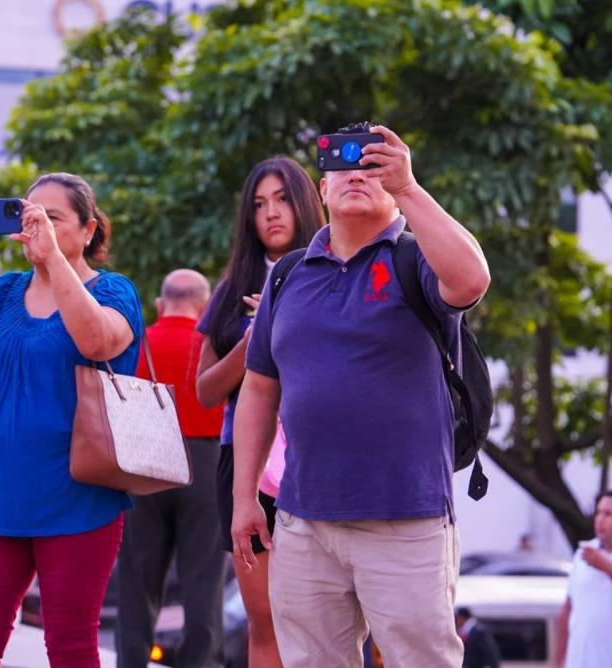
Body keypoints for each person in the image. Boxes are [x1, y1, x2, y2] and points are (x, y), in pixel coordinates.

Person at [233, 123, 491, 668]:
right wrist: (244, 500)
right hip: (304, 521)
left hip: (406, 518)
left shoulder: (414, 258)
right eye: (340, 167)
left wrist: (409, 189)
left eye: (371, 166)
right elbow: (259, 388)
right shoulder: (288, 275)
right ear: (322, 191)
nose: (355, 174)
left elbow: (470, 280)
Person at [0, 172, 144, 667]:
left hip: (77, 499)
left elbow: (97, 342)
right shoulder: (1, 293)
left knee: (69, 646)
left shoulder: (115, 291)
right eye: (29, 217)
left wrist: (55, 263)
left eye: (52, 218)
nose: (35, 228)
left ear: (89, 231)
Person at [195, 156, 325, 667]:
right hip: (244, 461)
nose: (271, 213)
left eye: (282, 199)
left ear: (305, 203)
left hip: (318, 455)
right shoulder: (229, 291)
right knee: (264, 618)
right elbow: (204, 391)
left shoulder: (336, 273)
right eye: (258, 204)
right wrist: (253, 340)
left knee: (329, 615)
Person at [115, 269, 227, 668]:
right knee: (204, 579)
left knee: (137, 581)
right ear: (205, 304)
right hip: (205, 463)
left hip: (145, 464)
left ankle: (131, 661)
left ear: (161, 304)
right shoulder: (213, 345)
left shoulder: (136, 343)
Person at [555, 491, 612, 668]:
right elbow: (567, 609)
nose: (600, 519)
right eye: (598, 512)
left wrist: (606, 566)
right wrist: (559, 660)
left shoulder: (598, 559)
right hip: (578, 660)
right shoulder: (583, 554)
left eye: (608, 514)